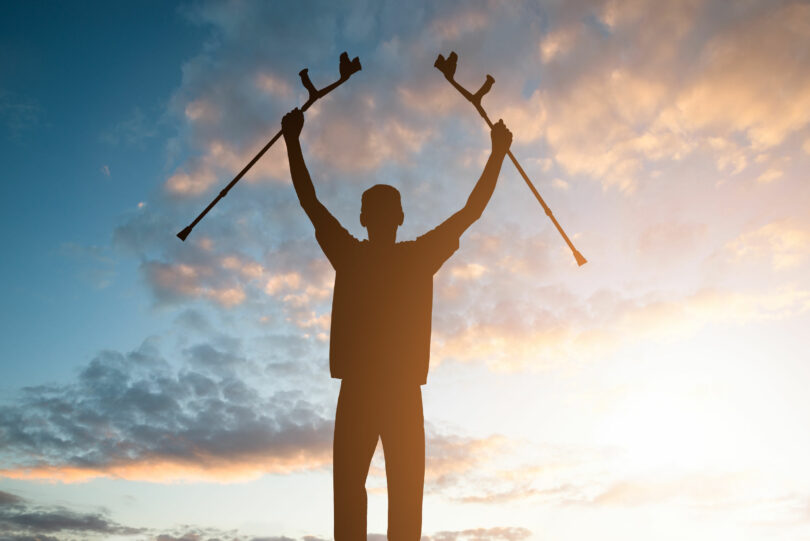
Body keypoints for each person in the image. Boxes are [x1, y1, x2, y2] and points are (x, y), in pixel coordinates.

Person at [281, 107, 512, 541]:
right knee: (404, 496)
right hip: (398, 392)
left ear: (364, 219)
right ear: (397, 218)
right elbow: (471, 211)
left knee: (355, 493)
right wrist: (497, 153)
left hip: (366, 390)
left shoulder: (354, 254)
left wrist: (293, 140)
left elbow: (310, 202)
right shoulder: (416, 257)